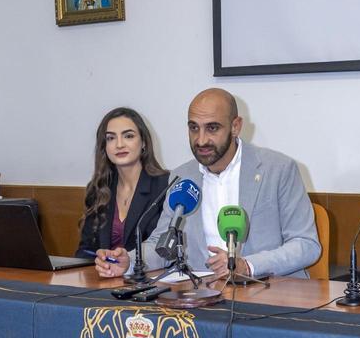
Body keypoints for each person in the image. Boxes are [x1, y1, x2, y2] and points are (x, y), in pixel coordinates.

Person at [96, 89, 320, 280]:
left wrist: (247, 266)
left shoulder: (278, 169)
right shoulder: (182, 177)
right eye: (194, 128)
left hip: (268, 293)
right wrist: (130, 261)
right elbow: (162, 245)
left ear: (235, 126)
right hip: (201, 299)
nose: (201, 140)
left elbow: (306, 244)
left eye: (212, 128)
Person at [79, 108, 170, 272]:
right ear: (104, 147)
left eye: (128, 136)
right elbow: (85, 251)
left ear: (143, 142)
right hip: (103, 281)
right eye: (111, 138)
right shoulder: (98, 189)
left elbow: (166, 251)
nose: (119, 144)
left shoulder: (165, 186)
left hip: (148, 283)